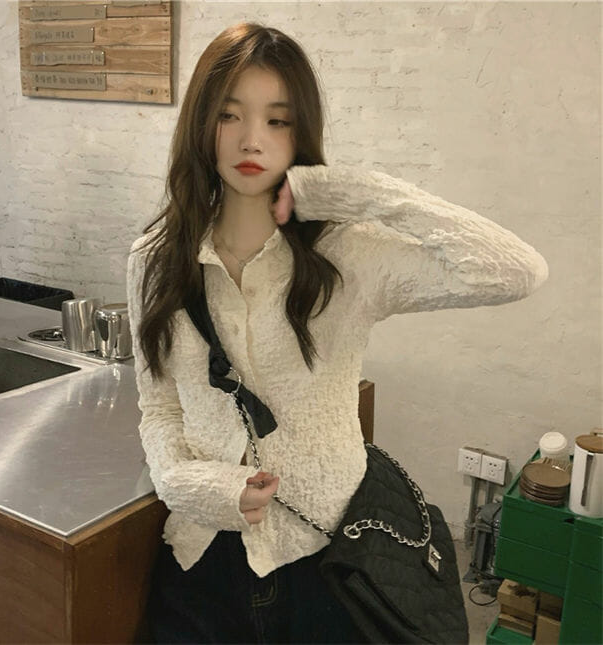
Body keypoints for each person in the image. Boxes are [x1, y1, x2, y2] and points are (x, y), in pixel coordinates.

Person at [126, 21, 548, 644]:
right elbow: (159, 405)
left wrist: (353, 191)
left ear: (301, 132)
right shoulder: (155, 259)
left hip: (327, 560)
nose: (251, 139)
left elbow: (514, 271)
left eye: (277, 120)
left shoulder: (347, 255)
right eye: (229, 115)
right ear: (201, 124)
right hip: (204, 558)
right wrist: (183, 483)